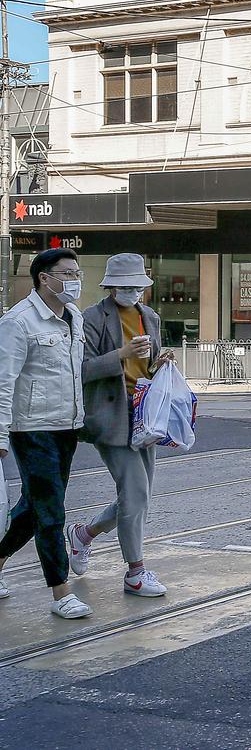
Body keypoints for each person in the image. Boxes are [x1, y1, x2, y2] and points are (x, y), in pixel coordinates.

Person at [66, 254, 173, 597]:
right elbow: (81, 370)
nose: (134, 293)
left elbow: (147, 368)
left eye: (139, 287)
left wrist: (160, 362)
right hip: (111, 416)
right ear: (111, 286)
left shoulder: (150, 317)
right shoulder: (91, 318)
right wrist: (122, 354)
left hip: (145, 414)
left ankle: (85, 533)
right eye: (126, 287)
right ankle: (135, 573)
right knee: (136, 493)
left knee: (137, 496)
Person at [0, 249, 91, 618]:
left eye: (76, 271)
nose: (74, 278)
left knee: (33, 506)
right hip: (31, 427)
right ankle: (60, 591)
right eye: (67, 272)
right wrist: (0, 432)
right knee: (51, 511)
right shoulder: (18, 321)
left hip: (65, 426)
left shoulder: (74, 317)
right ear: (43, 278)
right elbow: (4, 381)